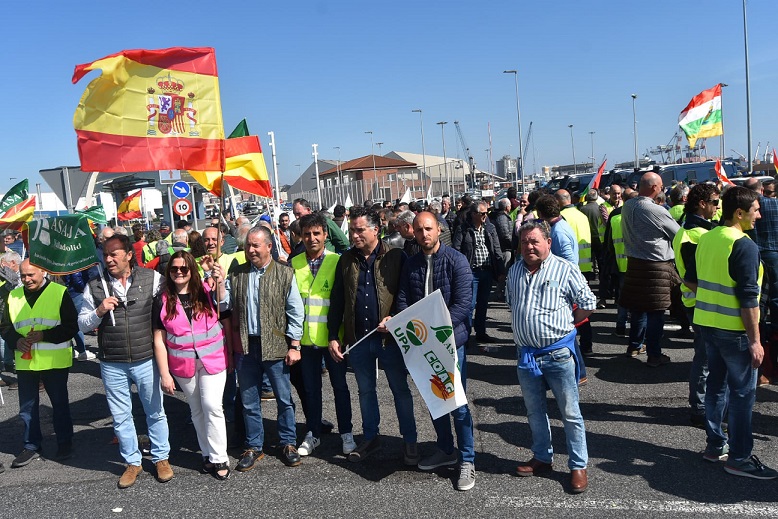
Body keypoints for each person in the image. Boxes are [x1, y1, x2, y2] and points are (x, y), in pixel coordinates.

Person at [686, 186, 778, 479]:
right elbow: (749, 298)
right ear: (739, 213)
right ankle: (738, 457)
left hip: (707, 324)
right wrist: (755, 341)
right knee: (742, 395)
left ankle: (715, 446)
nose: (760, 216)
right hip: (734, 331)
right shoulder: (745, 245)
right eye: (756, 210)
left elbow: (694, 281)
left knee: (716, 386)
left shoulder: (708, 237)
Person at [78, 235, 173, 489]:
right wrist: (99, 311)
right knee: (121, 416)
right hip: (112, 362)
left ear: (129, 255)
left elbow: (171, 303)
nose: (108, 259)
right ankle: (133, 462)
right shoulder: (95, 285)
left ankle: (161, 458)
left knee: (155, 411)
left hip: (145, 358)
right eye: (105, 254)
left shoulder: (151, 279)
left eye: (114, 254)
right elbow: (82, 323)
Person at [508, 221, 596, 494]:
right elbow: (513, 304)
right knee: (535, 412)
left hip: (558, 354)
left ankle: (578, 466)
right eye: (524, 242)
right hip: (527, 357)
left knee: (570, 413)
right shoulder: (514, 270)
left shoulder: (564, 268)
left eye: (534, 241)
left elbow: (588, 303)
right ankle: (542, 457)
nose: (529, 247)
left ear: (548, 242)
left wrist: (568, 326)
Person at [328, 207, 418, 465]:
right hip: (358, 340)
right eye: (352, 230)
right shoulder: (346, 260)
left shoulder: (396, 257)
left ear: (375, 230)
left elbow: (406, 295)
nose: (354, 235)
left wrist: (396, 318)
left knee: (400, 390)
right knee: (365, 391)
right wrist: (334, 335)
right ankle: (370, 436)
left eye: (359, 230)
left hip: (390, 340)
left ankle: (409, 440)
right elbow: (337, 300)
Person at [396, 212, 476, 491]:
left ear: (438, 229)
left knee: (458, 404)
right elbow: (404, 299)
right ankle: (445, 449)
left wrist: (435, 331)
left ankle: (467, 459)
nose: (424, 234)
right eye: (418, 230)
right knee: (436, 399)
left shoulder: (457, 260)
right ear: (413, 233)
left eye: (428, 228)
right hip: (424, 345)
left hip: (451, 343)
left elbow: (464, 304)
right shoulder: (412, 263)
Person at [228, 226, 304, 471]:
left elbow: (295, 311)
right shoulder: (236, 274)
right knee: (250, 400)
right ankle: (253, 446)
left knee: (283, 398)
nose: (250, 250)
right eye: (248, 245)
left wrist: (295, 344)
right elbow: (224, 305)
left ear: (269, 246)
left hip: (276, 345)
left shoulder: (284, 273)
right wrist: (217, 282)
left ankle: (288, 442)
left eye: (256, 245)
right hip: (246, 346)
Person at [152, 251, 231, 480]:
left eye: (184, 269)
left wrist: (217, 277)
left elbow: (224, 305)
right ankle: (207, 454)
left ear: (191, 271)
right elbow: (159, 338)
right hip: (183, 365)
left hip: (212, 360)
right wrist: (164, 373)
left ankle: (219, 457)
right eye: (174, 269)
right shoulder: (162, 299)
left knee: (212, 406)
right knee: (196, 410)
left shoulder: (206, 290)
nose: (178, 272)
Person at [0, 260, 78, 468]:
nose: (27, 279)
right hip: (26, 362)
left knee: (60, 404)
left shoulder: (60, 293)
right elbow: (5, 327)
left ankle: (64, 442)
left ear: (42, 272)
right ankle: (31, 445)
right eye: (23, 275)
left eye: (31, 275)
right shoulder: (13, 296)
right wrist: (16, 340)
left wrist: (44, 335)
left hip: (54, 360)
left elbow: (71, 327)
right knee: (27, 408)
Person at [292, 213, 355, 457]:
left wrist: (339, 336)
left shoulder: (337, 261)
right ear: (301, 236)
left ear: (325, 235)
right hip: (305, 340)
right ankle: (313, 433)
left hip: (333, 340)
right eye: (307, 234)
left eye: (316, 233)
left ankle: (347, 433)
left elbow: (342, 302)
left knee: (340, 387)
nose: (311, 238)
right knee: (311, 390)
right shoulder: (295, 263)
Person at [619, 172, 680, 366]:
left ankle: (635, 346)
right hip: (656, 267)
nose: (662, 189)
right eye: (661, 186)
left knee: (637, 309)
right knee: (656, 313)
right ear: (655, 187)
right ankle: (654, 354)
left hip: (635, 264)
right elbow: (677, 234)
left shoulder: (628, 205)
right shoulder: (656, 210)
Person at [672, 183, 720, 428]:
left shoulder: (694, 228)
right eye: (714, 202)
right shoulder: (693, 233)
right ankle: (699, 408)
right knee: (704, 359)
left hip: (697, 302)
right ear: (702, 203)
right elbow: (692, 279)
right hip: (699, 304)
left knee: (706, 358)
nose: (717, 206)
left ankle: (702, 406)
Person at [452, 200, 505, 343]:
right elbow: (456, 250)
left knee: (483, 304)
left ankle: (481, 333)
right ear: (474, 214)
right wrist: (460, 271)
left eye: (486, 213)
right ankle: (466, 335)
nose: (485, 216)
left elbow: (497, 249)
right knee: (469, 305)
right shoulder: (463, 229)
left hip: (487, 271)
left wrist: (501, 270)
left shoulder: (490, 228)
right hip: (471, 272)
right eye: (482, 213)